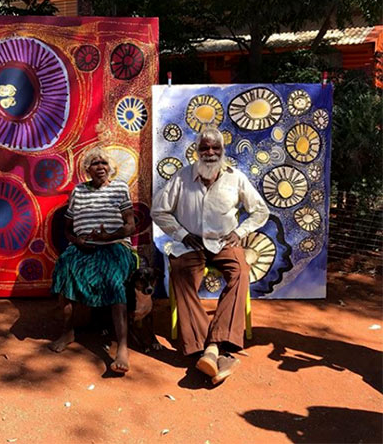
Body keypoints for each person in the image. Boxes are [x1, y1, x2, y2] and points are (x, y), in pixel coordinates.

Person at [151, 126, 269, 384]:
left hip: (225, 242)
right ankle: (213, 350)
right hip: (190, 243)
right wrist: (181, 234)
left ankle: (211, 347)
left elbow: (260, 211)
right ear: (197, 151)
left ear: (222, 151)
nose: (210, 152)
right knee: (181, 274)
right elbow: (158, 211)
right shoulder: (182, 178)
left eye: (215, 148)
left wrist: (241, 231)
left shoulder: (235, 177)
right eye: (205, 147)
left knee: (240, 272)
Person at [49, 147, 136, 373]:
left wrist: (109, 236)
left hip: (114, 246)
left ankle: (123, 347)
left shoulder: (119, 188)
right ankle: (68, 332)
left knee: (114, 277)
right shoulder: (78, 191)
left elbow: (130, 225)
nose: (100, 168)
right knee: (66, 269)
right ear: (87, 169)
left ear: (110, 168)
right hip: (82, 247)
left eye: (104, 164)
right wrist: (76, 241)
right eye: (95, 164)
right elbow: (67, 229)